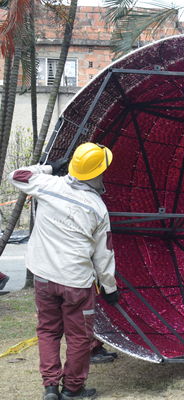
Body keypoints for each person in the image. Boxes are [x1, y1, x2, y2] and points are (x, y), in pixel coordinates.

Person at [8, 142, 119, 400]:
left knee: (48, 331)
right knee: (79, 337)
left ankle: (50, 388)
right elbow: (104, 255)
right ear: (95, 173)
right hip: (76, 283)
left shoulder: (47, 185)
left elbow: (15, 175)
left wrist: (48, 168)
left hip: (44, 277)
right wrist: (110, 288)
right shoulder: (97, 208)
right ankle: (72, 390)